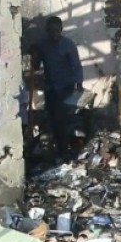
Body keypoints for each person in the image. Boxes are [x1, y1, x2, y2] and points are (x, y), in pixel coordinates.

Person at [30, 16, 83, 160]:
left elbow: (76, 66)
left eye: (56, 31)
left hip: (65, 87)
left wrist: (79, 84)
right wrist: (33, 52)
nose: (54, 34)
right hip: (50, 87)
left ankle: (63, 151)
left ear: (61, 30)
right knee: (51, 118)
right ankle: (55, 150)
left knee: (61, 119)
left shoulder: (68, 45)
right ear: (47, 31)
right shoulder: (43, 45)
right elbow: (35, 65)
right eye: (51, 31)